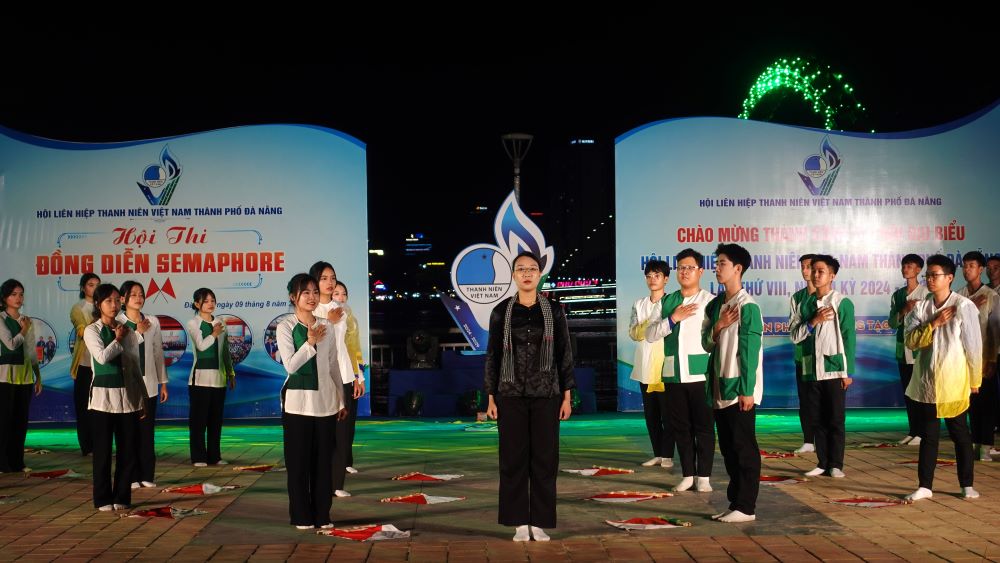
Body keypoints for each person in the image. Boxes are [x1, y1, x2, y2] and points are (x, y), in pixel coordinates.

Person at [485, 251, 575, 542]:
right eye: (521, 269)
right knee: (512, 460)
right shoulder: (501, 312)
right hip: (509, 394)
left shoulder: (554, 310)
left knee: (545, 460)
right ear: (513, 275)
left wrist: (566, 396)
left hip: (546, 394)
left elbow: (564, 354)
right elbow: (493, 356)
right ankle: (518, 522)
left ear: (540, 274)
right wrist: (490, 396)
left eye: (532, 269)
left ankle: (539, 520)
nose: (527, 273)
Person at [903, 254, 982, 501]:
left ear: (949, 277)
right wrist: (933, 324)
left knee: (960, 434)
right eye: (928, 275)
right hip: (927, 382)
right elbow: (910, 340)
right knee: (929, 436)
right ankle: (925, 485)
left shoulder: (963, 306)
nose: (930, 279)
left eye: (934, 275)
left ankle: (966, 484)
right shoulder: (922, 307)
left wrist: (974, 380)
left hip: (953, 381)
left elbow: (973, 346)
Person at [276, 273, 346, 529]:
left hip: (326, 404)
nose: (312, 297)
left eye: (315, 292)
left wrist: (340, 399)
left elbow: (332, 366)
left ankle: (322, 514)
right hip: (297, 405)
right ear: (293, 297)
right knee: (298, 464)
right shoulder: (285, 326)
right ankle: (301, 516)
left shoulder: (327, 326)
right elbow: (291, 366)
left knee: (322, 464)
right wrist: (309, 343)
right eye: (305, 292)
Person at [644, 249, 715, 491]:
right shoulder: (667, 301)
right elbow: (651, 334)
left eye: (690, 268)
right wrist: (672, 319)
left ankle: (703, 476)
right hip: (673, 375)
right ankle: (687, 474)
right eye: (681, 268)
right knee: (680, 427)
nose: (684, 272)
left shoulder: (710, 301)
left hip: (701, 374)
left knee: (704, 427)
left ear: (700, 271)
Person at [702, 244, 763, 523]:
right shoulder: (715, 305)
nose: (717, 267)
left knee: (743, 448)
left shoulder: (748, 306)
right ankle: (734, 503)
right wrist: (718, 326)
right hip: (718, 385)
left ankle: (746, 507)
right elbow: (705, 343)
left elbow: (750, 351)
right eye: (716, 263)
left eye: (722, 263)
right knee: (727, 448)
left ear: (738, 268)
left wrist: (747, 390)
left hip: (739, 388)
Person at [790, 255, 855, 478]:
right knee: (815, 417)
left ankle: (836, 464)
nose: (816, 275)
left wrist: (848, 373)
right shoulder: (805, 304)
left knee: (835, 418)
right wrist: (812, 321)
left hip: (835, 368)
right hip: (810, 369)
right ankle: (822, 462)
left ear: (832, 275)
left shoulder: (841, 302)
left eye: (821, 271)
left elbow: (849, 338)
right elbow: (795, 336)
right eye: (813, 271)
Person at [83, 283, 145, 510]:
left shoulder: (125, 329)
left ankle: (122, 497)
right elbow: (101, 358)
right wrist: (117, 340)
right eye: (108, 301)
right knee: (102, 452)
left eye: (117, 300)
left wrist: (142, 398)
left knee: (127, 451)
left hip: (127, 399)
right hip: (102, 399)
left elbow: (134, 365)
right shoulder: (92, 330)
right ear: (98, 304)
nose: (114, 305)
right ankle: (102, 498)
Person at [309, 261, 364, 498]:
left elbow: (349, 345)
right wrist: (327, 321)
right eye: (324, 278)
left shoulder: (343, 310)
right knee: (321, 434)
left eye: (333, 278)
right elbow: (315, 343)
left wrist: (358, 376)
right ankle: (319, 483)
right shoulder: (310, 310)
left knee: (342, 434)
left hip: (343, 374)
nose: (330, 283)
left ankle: (337, 484)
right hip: (320, 377)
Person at [117, 281, 168, 489]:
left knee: (147, 432)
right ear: (123, 299)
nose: (138, 298)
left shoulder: (153, 321)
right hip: (126, 386)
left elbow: (157, 353)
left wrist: (163, 382)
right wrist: (136, 331)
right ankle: (130, 476)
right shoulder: (117, 322)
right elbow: (119, 351)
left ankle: (147, 474)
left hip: (150, 384)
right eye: (133, 295)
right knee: (128, 432)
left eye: (141, 294)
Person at [627, 258, 675, 469]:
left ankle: (668, 455)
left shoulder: (672, 302)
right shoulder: (639, 304)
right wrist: (650, 323)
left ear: (666, 279)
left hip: (665, 367)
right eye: (649, 276)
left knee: (668, 414)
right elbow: (634, 333)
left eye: (657, 276)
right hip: (645, 367)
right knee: (651, 415)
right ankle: (657, 453)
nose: (652, 279)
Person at [956, 252, 999, 461]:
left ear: (980, 269)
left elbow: (994, 330)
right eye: (964, 266)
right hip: (963, 358)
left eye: (971, 265)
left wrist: (992, 359)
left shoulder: (991, 296)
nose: (967, 270)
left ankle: (986, 444)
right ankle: (974, 442)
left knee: (987, 401)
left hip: (983, 357)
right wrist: (972, 303)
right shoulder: (958, 294)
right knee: (970, 401)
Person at [186, 288, 235, 467]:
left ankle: (215, 455)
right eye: (206, 301)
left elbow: (225, 352)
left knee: (216, 421)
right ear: (197, 304)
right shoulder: (193, 323)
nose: (210, 304)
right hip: (199, 380)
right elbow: (201, 346)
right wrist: (214, 333)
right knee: (199, 421)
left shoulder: (221, 323)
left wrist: (230, 373)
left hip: (219, 380)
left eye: (213, 300)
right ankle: (198, 456)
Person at [0, 279, 42, 473]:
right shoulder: (1, 318)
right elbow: (10, 344)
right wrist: (23, 330)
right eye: (13, 294)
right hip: (5, 376)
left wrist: (38, 375)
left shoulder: (27, 320)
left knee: (20, 421)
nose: (18, 298)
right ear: (4, 297)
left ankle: (17, 462)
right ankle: (2, 463)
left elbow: (30, 350)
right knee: (4, 421)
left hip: (24, 377)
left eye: (21, 294)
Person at [889, 254, 927, 446]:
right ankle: (913, 431)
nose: (906, 269)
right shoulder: (898, 295)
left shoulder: (926, 293)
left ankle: (923, 432)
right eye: (904, 265)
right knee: (907, 392)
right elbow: (892, 323)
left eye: (910, 266)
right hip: (903, 351)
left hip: (920, 351)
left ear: (919, 269)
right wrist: (903, 310)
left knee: (920, 392)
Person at [790, 254, 818, 454]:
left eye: (809, 266)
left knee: (822, 401)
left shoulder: (829, 297)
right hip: (803, 356)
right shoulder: (797, 298)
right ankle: (808, 439)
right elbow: (794, 330)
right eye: (803, 267)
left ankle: (823, 441)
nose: (805, 270)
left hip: (826, 359)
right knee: (805, 399)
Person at [70, 273, 100, 456]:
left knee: (101, 407)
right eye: (91, 284)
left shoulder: (106, 305)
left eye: (98, 284)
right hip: (85, 364)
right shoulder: (78, 308)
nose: (95, 288)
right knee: (84, 407)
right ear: (83, 288)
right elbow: (83, 332)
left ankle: (100, 444)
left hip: (103, 364)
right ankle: (87, 446)